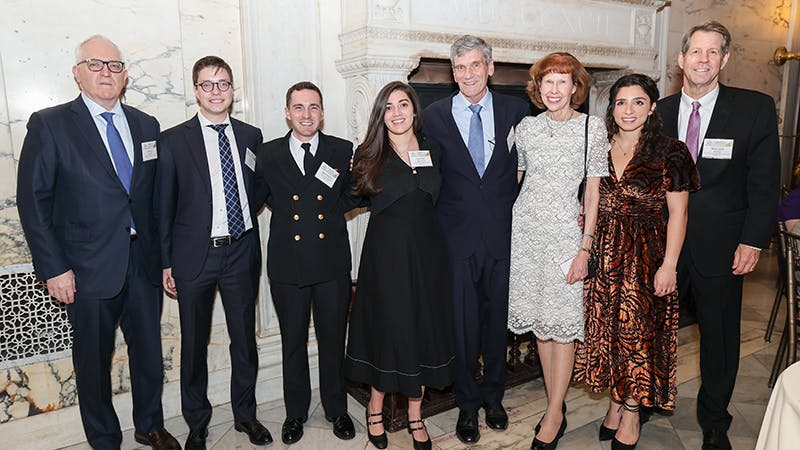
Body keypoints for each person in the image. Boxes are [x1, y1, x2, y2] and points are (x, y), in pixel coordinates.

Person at [16, 35, 180, 450]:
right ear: (77, 73)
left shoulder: (146, 125)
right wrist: (53, 267)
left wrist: (165, 260)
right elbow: (34, 201)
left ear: (125, 76)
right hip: (84, 270)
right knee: (92, 362)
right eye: (96, 64)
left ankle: (150, 424)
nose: (106, 73)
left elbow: (152, 202)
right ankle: (104, 439)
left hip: (141, 264)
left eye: (115, 66)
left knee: (148, 355)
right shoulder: (50, 123)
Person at [656, 21, 781, 450]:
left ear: (724, 60)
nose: (703, 60)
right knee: (654, 329)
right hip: (662, 249)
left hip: (723, 246)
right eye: (695, 52)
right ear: (681, 59)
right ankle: (647, 398)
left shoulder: (754, 108)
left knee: (719, 340)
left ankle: (714, 422)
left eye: (713, 53)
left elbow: (765, 184)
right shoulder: (659, 110)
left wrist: (753, 240)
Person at [574, 73, 700, 450]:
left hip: (646, 257)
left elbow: (679, 214)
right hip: (604, 255)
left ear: (653, 107)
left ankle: (631, 413)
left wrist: (669, 265)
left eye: (638, 102)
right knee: (609, 334)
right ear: (612, 108)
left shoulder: (671, 151)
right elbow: (588, 196)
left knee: (638, 338)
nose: (629, 110)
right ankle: (615, 401)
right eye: (621, 103)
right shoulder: (600, 144)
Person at [158, 56, 271, 449]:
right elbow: (163, 206)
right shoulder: (173, 140)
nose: (216, 91)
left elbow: (257, 190)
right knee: (194, 344)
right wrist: (167, 262)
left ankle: (246, 415)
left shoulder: (250, 135)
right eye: (208, 85)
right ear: (196, 90)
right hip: (195, 257)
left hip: (241, 251)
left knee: (244, 339)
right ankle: (197, 423)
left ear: (232, 89)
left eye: (223, 84)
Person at [422, 34, 530, 444]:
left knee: (496, 324)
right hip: (453, 241)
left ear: (490, 67)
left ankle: (494, 397)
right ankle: (467, 405)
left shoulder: (517, 112)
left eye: (474, 65)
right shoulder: (432, 116)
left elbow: (534, 170)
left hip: (503, 238)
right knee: (462, 327)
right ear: (453, 72)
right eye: (459, 67)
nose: (467, 74)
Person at [345, 81, 455, 450]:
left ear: (414, 109)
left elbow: (445, 200)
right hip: (385, 257)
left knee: (420, 330)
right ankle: (375, 409)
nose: (396, 112)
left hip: (427, 256)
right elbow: (346, 197)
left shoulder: (433, 149)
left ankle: (415, 414)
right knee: (387, 329)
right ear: (381, 114)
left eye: (403, 104)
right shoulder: (369, 153)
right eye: (388, 107)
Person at [508, 52, 607, 450]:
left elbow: (595, 191)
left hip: (567, 237)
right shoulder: (526, 129)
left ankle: (553, 413)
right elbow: (513, 179)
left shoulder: (591, 128)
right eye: (547, 81)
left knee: (562, 328)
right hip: (527, 234)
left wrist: (586, 247)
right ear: (538, 87)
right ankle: (556, 405)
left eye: (561, 81)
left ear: (575, 87)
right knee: (541, 328)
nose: (553, 89)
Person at [253, 81, 356, 446]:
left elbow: (351, 196)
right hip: (287, 266)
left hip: (331, 264)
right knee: (292, 343)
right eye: (299, 107)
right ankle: (295, 413)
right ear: (287, 112)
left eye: (313, 107)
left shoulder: (343, 150)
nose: (306, 114)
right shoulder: (267, 154)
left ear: (323, 113)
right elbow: (253, 202)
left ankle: (336, 410)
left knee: (332, 341)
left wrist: (325, 215)